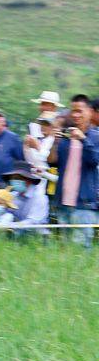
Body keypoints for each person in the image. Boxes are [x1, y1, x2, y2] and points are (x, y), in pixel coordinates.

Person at [49, 94, 99, 247]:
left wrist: (83, 139)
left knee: (81, 251)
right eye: (73, 111)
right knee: (63, 250)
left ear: (90, 112)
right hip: (62, 201)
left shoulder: (96, 137)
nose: (76, 115)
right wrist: (55, 142)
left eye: (80, 111)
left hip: (84, 204)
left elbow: (95, 160)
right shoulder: (66, 137)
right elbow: (52, 162)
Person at [1, 161, 49, 237]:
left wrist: (13, 225)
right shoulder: (14, 195)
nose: (14, 181)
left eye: (17, 178)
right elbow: (7, 211)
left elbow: (33, 222)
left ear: (28, 179)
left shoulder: (40, 198)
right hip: (17, 234)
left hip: (36, 236)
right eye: (12, 178)